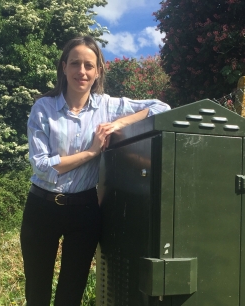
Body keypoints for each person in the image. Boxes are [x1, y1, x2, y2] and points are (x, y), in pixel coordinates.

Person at [20, 35, 171, 306]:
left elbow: (161, 107)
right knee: (37, 291)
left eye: (89, 65)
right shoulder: (43, 108)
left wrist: (118, 124)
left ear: (98, 71)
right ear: (64, 67)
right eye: (75, 63)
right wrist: (91, 152)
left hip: (84, 210)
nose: (82, 71)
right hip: (42, 207)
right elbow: (42, 167)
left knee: (72, 291)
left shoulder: (107, 106)